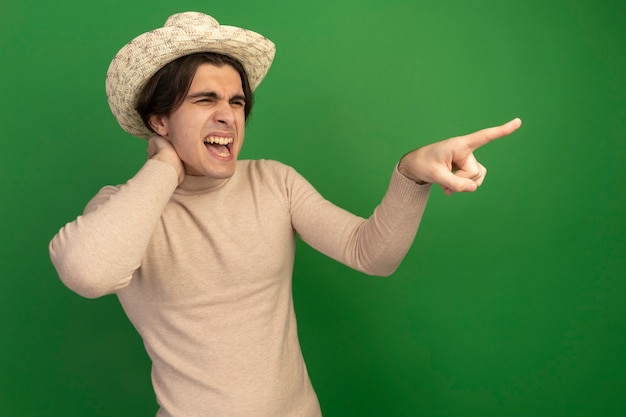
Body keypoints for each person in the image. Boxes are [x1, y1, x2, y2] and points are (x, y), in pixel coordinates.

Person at [49, 11, 521, 417]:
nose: (228, 116)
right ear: (158, 120)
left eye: (236, 101)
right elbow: (88, 274)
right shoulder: (123, 209)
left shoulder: (274, 182)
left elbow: (371, 255)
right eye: (204, 100)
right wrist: (165, 166)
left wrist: (412, 173)